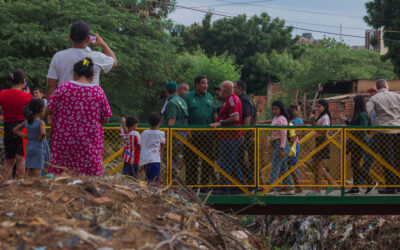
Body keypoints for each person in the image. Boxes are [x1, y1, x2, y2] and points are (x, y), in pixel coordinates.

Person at [48, 57, 112, 176]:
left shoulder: (64, 87)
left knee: (61, 173)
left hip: (64, 140)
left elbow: (50, 109)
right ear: (92, 76)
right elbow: (105, 117)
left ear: (74, 73)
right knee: (89, 176)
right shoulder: (98, 91)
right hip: (89, 141)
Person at [46, 21, 117, 99]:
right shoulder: (97, 57)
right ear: (88, 39)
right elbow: (114, 62)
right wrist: (103, 44)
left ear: (70, 37)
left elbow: (50, 86)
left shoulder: (58, 56)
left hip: (65, 106)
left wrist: (50, 107)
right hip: (90, 107)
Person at [183, 75, 217, 190]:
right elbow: (184, 115)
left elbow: (214, 113)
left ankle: (204, 185)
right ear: (197, 84)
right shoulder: (188, 97)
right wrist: (187, 130)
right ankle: (191, 185)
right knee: (191, 160)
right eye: (203, 83)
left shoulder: (210, 96)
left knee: (207, 160)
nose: (205, 85)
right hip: (193, 134)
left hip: (208, 135)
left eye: (206, 83)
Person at [366, 79, 400, 194]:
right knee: (397, 158)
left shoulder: (374, 98)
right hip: (398, 130)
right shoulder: (396, 96)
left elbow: (367, 111)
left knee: (387, 159)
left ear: (377, 87)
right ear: (386, 86)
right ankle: (398, 185)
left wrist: (370, 127)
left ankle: (391, 186)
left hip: (384, 133)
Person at [210, 81, 244, 194]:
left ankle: (225, 189)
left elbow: (235, 118)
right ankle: (241, 186)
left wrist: (221, 123)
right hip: (229, 136)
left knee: (224, 163)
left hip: (230, 137)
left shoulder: (231, 99)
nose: (220, 90)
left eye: (222, 88)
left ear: (226, 89)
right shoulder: (227, 100)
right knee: (232, 161)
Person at [0, 69, 32, 180]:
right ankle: (19, 185)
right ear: (23, 81)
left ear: (11, 81)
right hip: (22, 128)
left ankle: (2, 180)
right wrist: (28, 95)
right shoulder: (27, 96)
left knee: (9, 161)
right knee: (21, 159)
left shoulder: (2, 94)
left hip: (8, 128)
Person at [340, 95, 375, 194]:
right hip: (355, 143)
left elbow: (362, 130)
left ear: (358, 103)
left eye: (353, 102)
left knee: (355, 164)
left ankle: (371, 181)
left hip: (360, 143)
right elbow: (354, 127)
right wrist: (345, 120)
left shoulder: (363, 115)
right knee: (354, 164)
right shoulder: (358, 114)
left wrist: (351, 131)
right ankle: (356, 187)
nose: (352, 104)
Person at [309, 99, 338, 195]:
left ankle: (318, 189)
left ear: (324, 107)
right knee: (316, 165)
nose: (317, 108)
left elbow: (324, 131)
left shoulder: (325, 117)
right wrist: (313, 122)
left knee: (318, 165)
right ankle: (331, 182)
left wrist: (314, 126)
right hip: (318, 141)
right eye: (316, 106)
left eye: (319, 106)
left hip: (322, 141)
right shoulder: (321, 116)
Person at [13, 98, 49, 176]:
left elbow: (16, 129)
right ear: (41, 110)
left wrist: (25, 137)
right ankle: (35, 183)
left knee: (30, 168)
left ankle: (26, 182)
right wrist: (40, 138)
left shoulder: (27, 122)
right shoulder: (41, 122)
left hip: (29, 147)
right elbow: (43, 133)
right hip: (38, 148)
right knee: (37, 168)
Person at [268, 101, 294, 194]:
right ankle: (290, 187)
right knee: (283, 168)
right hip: (276, 143)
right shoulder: (276, 118)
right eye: (273, 109)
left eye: (276, 109)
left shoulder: (282, 119)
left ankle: (272, 188)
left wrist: (282, 149)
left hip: (281, 144)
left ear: (280, 109)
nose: (274, 111)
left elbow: (283, 134)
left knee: (275, 166)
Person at [234, 80, 256, 186]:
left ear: (240, 88)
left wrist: (243, 133)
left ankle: (250, 180)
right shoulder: (249, 99)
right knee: (248, 158)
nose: (234, 89)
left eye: (235, 87)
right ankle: (251, 180)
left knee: (239, 156)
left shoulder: (243, 99)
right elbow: (255, 113)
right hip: (248, 132)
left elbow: (248, 116)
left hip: (244, 133)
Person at [139, 113, 165, 184]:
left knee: (147, 180)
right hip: (155, 159)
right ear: (159, 123)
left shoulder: (144, 132)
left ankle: (147, 193)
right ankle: (153, 193)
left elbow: (140, 144)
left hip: (146, 160)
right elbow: (162, 144)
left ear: (149, 122)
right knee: (155, 181)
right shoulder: (161, 133)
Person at [287, 104, 304, 193]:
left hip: (294, 144)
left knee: (293, 164)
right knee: (287, 164)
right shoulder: (287, 120)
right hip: (288, 143)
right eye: (296, 110)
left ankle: (296, 184)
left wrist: (291, 133)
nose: (297, 112)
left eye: (297, 110)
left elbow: (300, 131)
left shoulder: (299, 120)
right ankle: (288, 184)